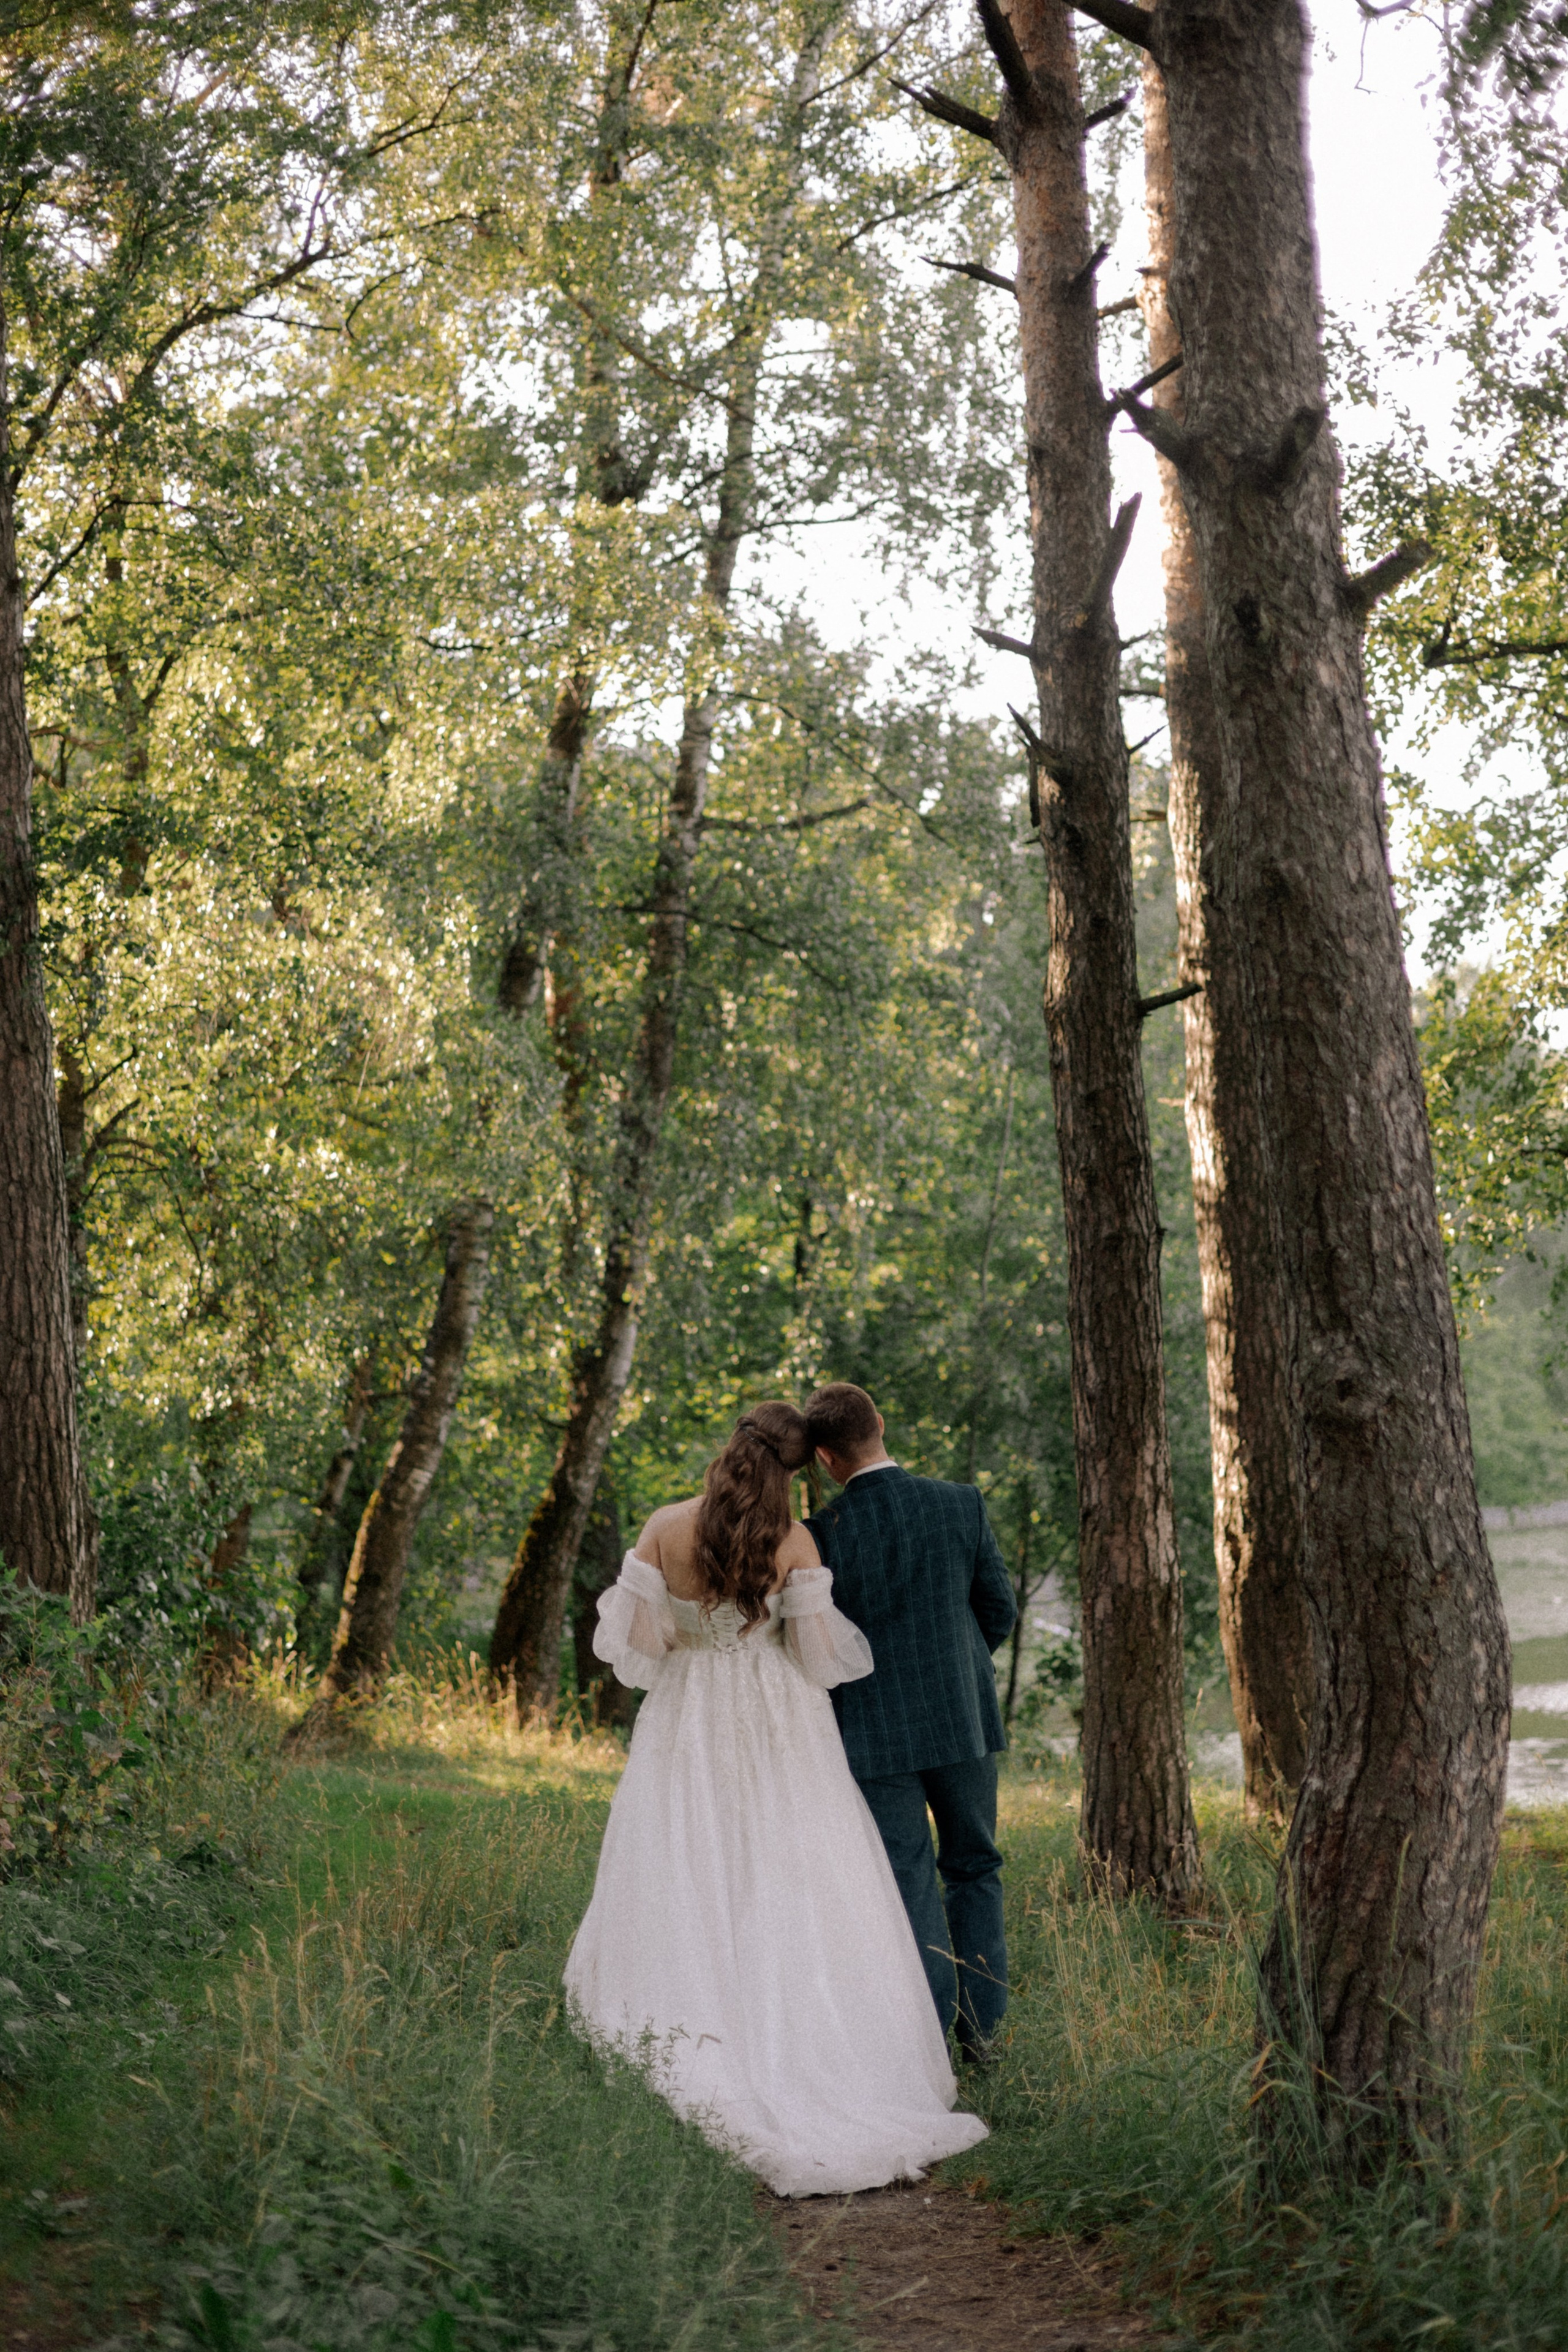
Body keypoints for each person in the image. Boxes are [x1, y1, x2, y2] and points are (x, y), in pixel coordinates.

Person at [562, 1399, 988, 2198]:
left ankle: (695, 2039)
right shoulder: (794, 1541)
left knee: (689, 1866)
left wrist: (695, 1634)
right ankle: (801, 2042)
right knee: (787, 1874)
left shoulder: (663, 1526)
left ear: (733, 1447)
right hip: (778, 1724)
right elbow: (823, 1661)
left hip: (688, 1718)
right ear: (797, 1469)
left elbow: (639, 1646)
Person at [804, 1382, 1017, 2064]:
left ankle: (928, 2049)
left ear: (825, 1458)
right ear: (881, 1424)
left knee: (908, 1882)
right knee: (974, 1868)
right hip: (963, 1725)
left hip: (872, 1734)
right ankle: (981, 2036)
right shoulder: (961, 1504)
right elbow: (999, 1610)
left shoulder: (822, 1534)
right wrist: (957, 1669)